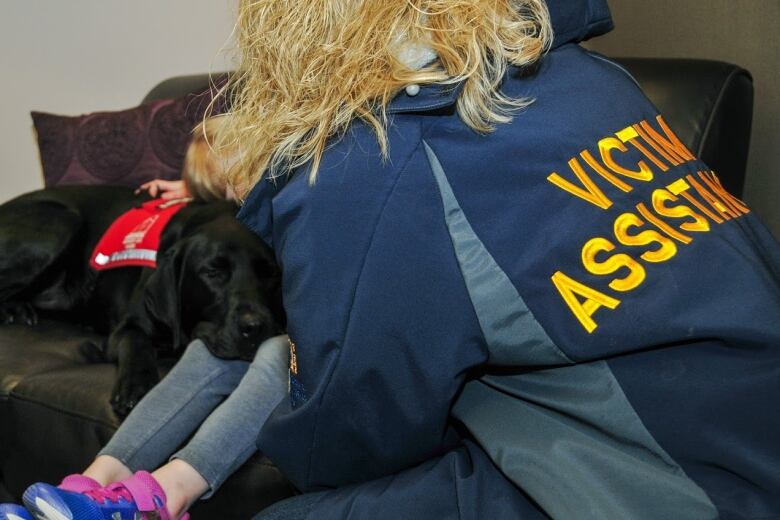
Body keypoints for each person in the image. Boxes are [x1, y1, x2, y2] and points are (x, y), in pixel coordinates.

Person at [5, 1, 780, 519]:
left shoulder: (374, 160)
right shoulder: (594, 79)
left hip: (681, 484)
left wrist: (301, 365)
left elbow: (349, 441)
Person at [0, 116, 290, 520]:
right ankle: (85, 490)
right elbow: (136, 324)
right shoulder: (191, 246)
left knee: (262, 350)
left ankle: (155, 498)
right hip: (51, 220)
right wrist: (193, 188)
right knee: (209, 351)